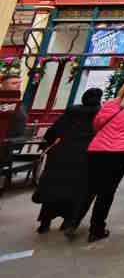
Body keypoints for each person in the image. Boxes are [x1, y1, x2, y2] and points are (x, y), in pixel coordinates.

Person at [67, 79, 124, 242]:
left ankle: (72, 222)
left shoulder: (109, 104)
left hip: (97, 150)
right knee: (107, 191)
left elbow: (97, 124)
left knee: (88, 188)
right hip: (121, 153)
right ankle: (96, 229)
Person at [33, 88, 102, 233]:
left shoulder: (71, 112)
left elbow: (53, 131)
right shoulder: (99, 115)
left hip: (61, 154)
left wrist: (48, 144)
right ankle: (68, 221)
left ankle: (45, 222)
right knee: (76, 190)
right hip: (85, 155)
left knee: (53, 188)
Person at [1, 69, 26, 138]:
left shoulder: (16, 98)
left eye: (19, 83)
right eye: (14, 83)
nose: (18, 86)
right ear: (3, 85)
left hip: (14, 139)